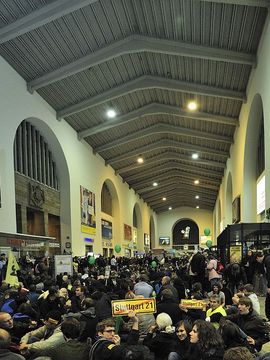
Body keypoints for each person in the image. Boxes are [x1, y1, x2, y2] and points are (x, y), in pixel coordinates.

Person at [256, 250, 270, 319]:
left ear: (259, 257)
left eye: (257, 259)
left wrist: (269, 286)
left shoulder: (267, 261)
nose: (257, 260)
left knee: (268, 301)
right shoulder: (265, 261)